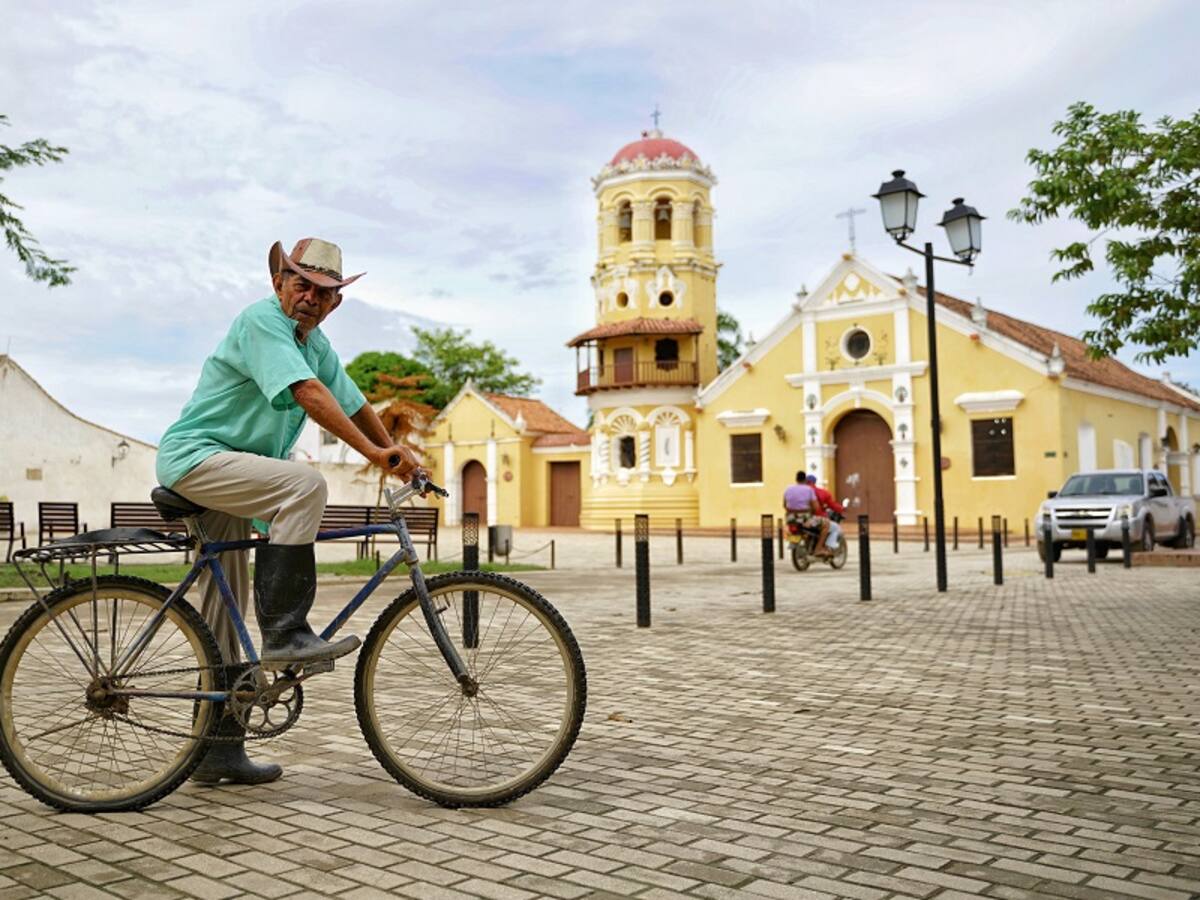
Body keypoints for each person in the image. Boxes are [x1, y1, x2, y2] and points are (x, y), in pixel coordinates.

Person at [156, 237, 419, 785]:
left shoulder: (315, 344)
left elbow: (352, 402)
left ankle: (217, 749)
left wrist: (396, 454)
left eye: (324, 292)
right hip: (198, 459)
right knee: (305, 484)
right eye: (302, 284)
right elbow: (307, 393)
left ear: (335, 303)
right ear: (279, 283)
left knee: (223, 615)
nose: (310, 298)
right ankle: (285, 632)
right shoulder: (262, 321)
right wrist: (373, 454)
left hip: (235, 470)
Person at [782, 469, 831, 557]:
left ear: (796, 479)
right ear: (805, 480)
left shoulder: (788, 489)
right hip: (805, 519)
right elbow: (816, 507)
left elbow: (784, 505)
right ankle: (818, 549)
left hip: (790, 519)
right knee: (826, 524)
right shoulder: (808, 490)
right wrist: (811, 511)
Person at [806, 474, 845, 553]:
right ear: (814, 482)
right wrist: (841, 508)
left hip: (801, 519)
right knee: (835, 527)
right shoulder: (822, 492)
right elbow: (832, 505)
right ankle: (826, 547)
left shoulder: (799, 492)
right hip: (816, 519)